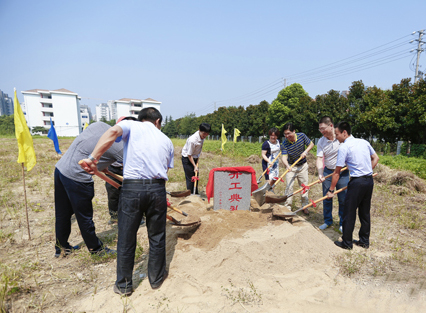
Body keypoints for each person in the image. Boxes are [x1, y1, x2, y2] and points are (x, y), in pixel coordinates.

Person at [80, 107, 174, 295]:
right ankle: (155, 279)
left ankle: (123, 285)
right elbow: (166, 170)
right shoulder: (167, 140)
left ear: (142, 119)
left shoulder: (131, 125)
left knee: (126, 237)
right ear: (157, 122)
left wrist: (93, 158)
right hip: (157, 189)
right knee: (157, 236)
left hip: (132, 189)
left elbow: (113, 131)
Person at [54, 122, 123, 258]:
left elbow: (90, 147)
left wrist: (103, 164)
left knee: (63, 213)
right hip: (77, 175)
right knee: (84, 216)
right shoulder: (120, 145)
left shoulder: (99, 125)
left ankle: (61, 248)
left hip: (61, 169)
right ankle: (96, 250)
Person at [327, 122, 379, 250]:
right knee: (364, 212)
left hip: (357, 183)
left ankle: (347, 243)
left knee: (349, 213)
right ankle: (364, 241)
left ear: (344, 132)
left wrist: (331, 190)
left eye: (337, 134)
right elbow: (376, 158)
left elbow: (337, 172)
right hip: (368, 181)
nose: (336, 137)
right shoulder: (364, 142)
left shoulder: (344, 147)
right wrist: (367, 171)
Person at [316, 116, 349, 232]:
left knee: (343, 199)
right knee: (327, 197)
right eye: (320, 129)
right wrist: (320, 174)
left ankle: (342, 223)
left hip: (343, 172)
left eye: (323, 128)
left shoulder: (342, 137)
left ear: (331, 126)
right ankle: (327, 221)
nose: (322, 131)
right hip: (328, 171)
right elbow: (320, 159)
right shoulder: (321, 141)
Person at [281, 122, 314, 213]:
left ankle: (305, 206)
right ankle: (287, 207)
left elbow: (311, 144)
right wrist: (287, 165)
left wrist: (305, 152)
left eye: (289, 133)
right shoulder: (284, 144)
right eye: (285, 134)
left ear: (294, 131)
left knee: (304, 186)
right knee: (289, 187)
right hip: (291, 167)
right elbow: (284, 157)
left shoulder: (302, 136)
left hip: (303, 166)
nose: (287, 136)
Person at [181, 123, 211, 194]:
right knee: (191, 178)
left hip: (194, 157)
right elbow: (189, 155)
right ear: (199, 130)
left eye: (207, 134)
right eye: (204, 133)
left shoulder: (202, 137)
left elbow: (198, 152)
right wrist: (194, 166)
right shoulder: (193, 140)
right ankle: (190, 195)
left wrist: (196, 162)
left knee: (196, 176)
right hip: (187, 158)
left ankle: (196, 193)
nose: (205, 135)